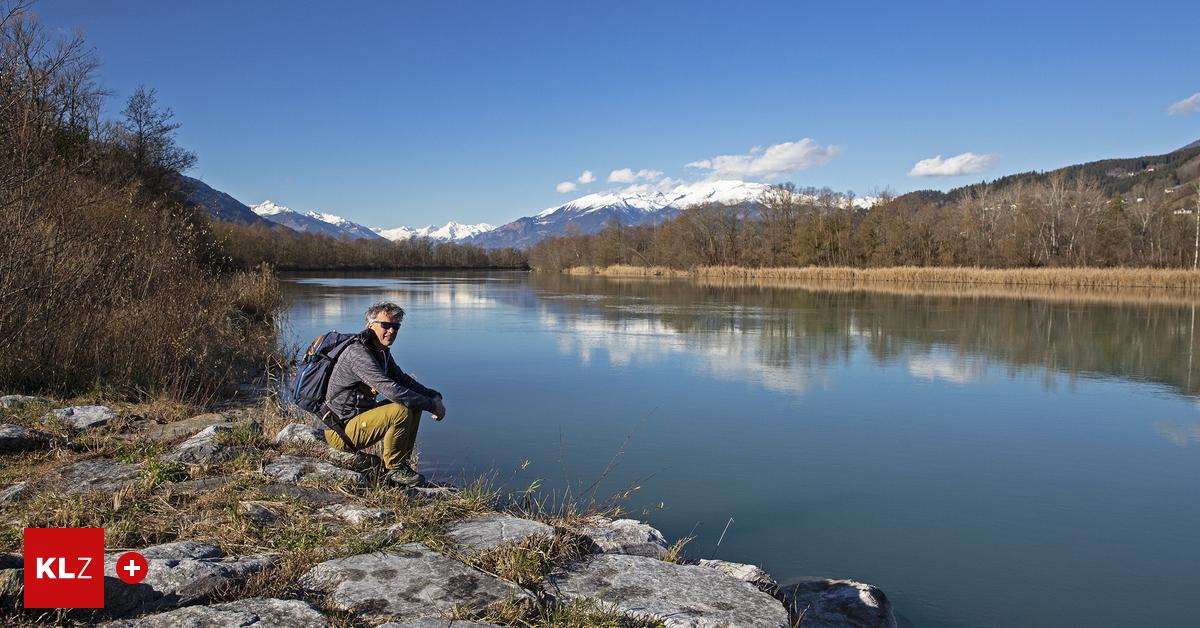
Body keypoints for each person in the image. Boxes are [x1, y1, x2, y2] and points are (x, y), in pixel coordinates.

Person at [321, 302, 446, 487]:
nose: (391, 331)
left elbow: (402, 379)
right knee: (400, 410)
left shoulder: (381, 351)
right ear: (370, 325)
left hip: (357, 420)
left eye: (396, 326)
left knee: (414, 406)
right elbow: (391, 389)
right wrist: (431, 405)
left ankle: (401, 465)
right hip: (340, 430)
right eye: (386, 325)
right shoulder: (358, 353)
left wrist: (432, 395)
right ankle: (395, 468)